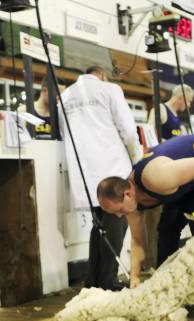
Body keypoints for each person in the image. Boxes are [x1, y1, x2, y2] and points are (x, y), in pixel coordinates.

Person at [96, 133, 194, 288]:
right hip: (188, 176)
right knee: (167, 229)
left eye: (119, 210)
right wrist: (134, 277)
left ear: (128, 194)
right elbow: (138, 242)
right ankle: (165, 283)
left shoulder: (155, 177)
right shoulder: (132, 202)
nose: (119, 215)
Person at [60, 65, 143, 290]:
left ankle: (93, 282)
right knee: (116, 220)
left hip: (84, 171)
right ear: (102, 75)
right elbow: (128, 130)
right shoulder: (110, 89)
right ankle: (107, 281)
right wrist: (137, 161)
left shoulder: (65, 97)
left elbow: (65, 133)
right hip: (111, 165)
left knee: (98, 226)